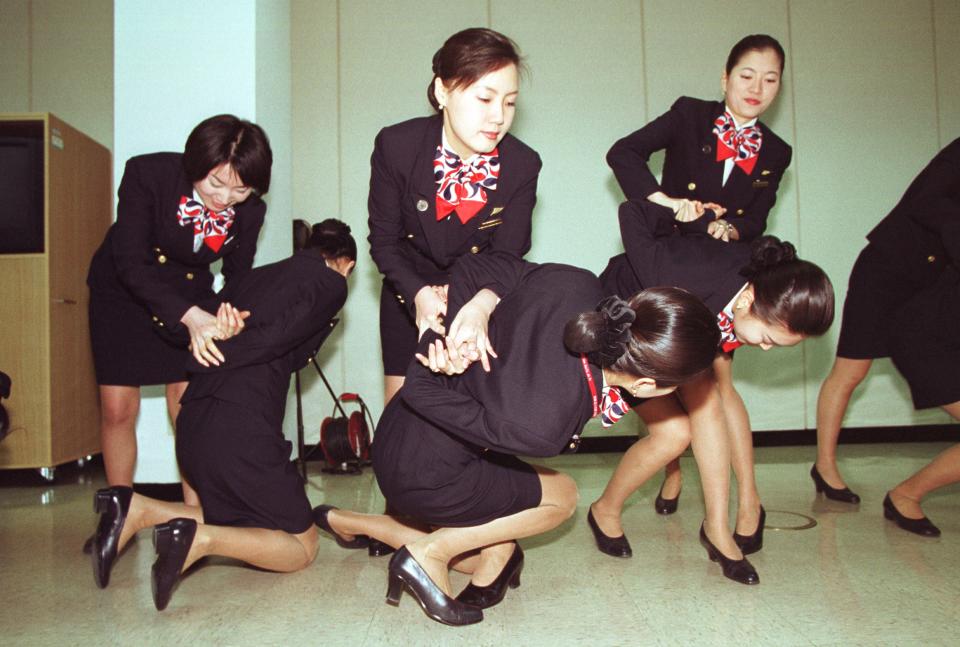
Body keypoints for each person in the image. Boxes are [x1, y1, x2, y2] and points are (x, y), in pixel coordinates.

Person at [313, 252, 719, 625]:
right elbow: (422, 390)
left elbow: (476, 269)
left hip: (399, 430)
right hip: (420, 473)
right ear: (647, 384)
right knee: (563, 497)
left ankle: (348, 521)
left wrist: (477, 306)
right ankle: (427, 555)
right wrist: (433, 336)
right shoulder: (545, 425)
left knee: (489, 552)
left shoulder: (577, 284)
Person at [88, 220, 356, 610]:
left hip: (194, 418)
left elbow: (191, 333)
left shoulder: (249, 279)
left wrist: (221, 342)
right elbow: (278, 339)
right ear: (344, 263)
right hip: (240, 424)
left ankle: (135, 507)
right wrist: (233, 348)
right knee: (302, 545)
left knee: (230, 513)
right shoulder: (331, 282)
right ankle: (199, 541)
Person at [591, 200, 833, 584]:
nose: (765, 349)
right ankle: (605, 510)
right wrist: (679, 215)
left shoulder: (751, 297)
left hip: (683, 332)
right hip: (627, 328)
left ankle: (716, 528)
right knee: (674, 433)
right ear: (750, 301)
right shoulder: (684, 271)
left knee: (707, 407)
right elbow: (629, 210)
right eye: (768, 339)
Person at [605, 33, 792, 515]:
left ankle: (747, 501)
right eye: (747, 75)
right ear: (726, 77)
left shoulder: (776, 150)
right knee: (675, 375)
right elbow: (623, 152)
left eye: (771, 79)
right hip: (667, 267)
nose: (757, 87)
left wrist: (731, 226)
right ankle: (674, 474)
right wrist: (667, 204)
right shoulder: (690, 115)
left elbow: (758, 220)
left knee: (712, 386)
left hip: (725, 281)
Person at [86, 114, 273, 509]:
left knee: (187, 405)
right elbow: (130, 261)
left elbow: (238, 275)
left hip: (189, 287)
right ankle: (119, 514)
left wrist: (230, 314)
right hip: (123, 290)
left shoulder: (250, 209)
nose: (224, 199)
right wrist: (189, 316)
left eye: (239, 190)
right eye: (216, 184)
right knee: (118, 406)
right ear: (196, 165)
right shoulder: (147, 173)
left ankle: (197, 517)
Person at [368, 27, 542, 406]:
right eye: (484, 98)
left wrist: (480, 304)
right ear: (442, 91)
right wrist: (418, 295)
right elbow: (384, 241)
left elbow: (509, 255)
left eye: (510, 103)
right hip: (409, 291)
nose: (498, 117)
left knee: (474, 418)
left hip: (483, 295)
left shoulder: (522, 164)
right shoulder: (397, 146)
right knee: (403, 414)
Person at [813, 138, 960, 537]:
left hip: (938, 285)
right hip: (890, 268)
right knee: (851, 370)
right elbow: (927, 201)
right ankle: (825, 466)